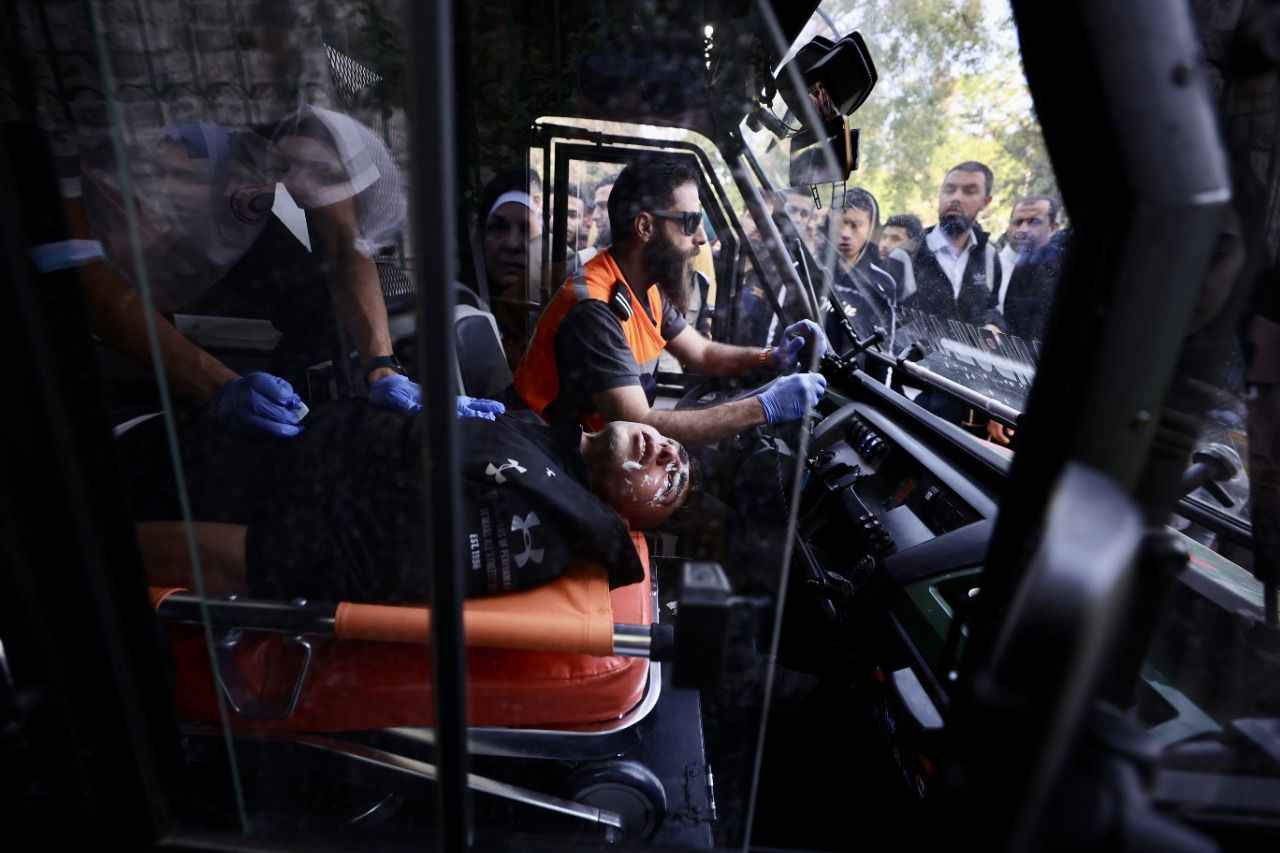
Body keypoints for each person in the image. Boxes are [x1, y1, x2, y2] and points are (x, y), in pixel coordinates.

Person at [57, 108, 482, 433]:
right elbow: (82, 275)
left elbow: (345, 246)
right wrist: (218, 384)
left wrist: (383, 367)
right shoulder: (71, 121)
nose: (299, 186)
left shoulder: (303, 136)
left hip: (176, 296)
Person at [129, 402, 691, 603]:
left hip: (187, 494)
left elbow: (288, 558)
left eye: (670, 482)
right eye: (675, 447)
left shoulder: (538, 528)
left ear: (626, 520)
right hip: (215, 437)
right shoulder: (544, 444)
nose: (668, 454)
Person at [514, 157, 829, 446]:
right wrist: (763, 407)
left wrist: (771, 357)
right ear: (645, 227)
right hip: (551, 459)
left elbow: (702, 353)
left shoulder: (646, 288)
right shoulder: (594, 308)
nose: (701, 238)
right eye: (690, 223)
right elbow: (639, 423)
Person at [822, 188, 902, 361]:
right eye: (841, 223)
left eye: (855, 225)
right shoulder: (811, 266)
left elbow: (884, 353)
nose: (845, 233)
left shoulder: (882, 284)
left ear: (870, 230)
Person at [996, 195, 1059, 314]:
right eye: (1018, 222)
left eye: (1034, 222)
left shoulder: (1057, 269)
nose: (1023, 229)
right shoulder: (989, 266)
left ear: (1052, 228)